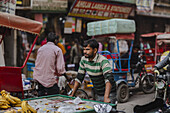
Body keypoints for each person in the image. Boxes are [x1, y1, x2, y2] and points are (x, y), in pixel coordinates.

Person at [70, 39, 117, 104]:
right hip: (97, 92)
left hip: (109, 93)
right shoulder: (83, 60)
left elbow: (108, 79)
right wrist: (72, 94)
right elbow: (79, 78)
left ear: (95, 50)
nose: (85, 52)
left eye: (87, 49)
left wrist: (106, 97)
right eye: (84, 49)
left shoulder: (103, 61)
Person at [33, 32, 66, 96]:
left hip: (38, 79)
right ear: (55, 41)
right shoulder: (57, 50)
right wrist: (65, 75)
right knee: (55, 98)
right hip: (49, 81)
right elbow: (60, 69)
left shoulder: (40, 49)